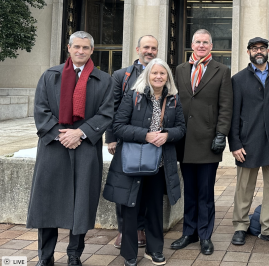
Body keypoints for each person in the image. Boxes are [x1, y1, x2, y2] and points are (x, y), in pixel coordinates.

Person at [27, 31, 113, 266]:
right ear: (68, 48)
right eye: (76, 47)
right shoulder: (50, 76)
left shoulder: (103, 80)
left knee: (82, 202)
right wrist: (59, 135)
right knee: (47, 202)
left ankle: (74, 254)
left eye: (85, 48)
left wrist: (80, 132)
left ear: (92, 50)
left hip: (85, 147)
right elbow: (41, 110)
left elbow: (106, 113)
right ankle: (45, 256)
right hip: (53, 148)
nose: (80, 51)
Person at [104, 58, 185, 266]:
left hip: (159, 165)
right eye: (154, 73)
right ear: (147, 75)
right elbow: (119, 125)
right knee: (131, 208)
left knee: (155, 207)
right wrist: (145, 135)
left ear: (168, 77)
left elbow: (181, 129)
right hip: (134, 162)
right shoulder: (133, 96)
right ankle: (130, 254)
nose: (158, 77)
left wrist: (167, 135)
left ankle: (155, 249)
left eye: (162, 73)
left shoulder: (174, 99)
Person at [172, 29, 233, 255]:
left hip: (208, 141)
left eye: (205, 42)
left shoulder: (222, 70)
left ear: (211, 45)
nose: (201, 45)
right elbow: (174, 101)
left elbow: (226, 106)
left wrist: (221, 134)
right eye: (197, 42)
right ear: (191, 44)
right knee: (189, 190)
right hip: (185, 141)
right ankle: (189, 232)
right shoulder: (179, 70)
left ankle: (205, 235)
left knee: (205, 193)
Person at [229, 37, 269, 246]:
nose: (258, 51)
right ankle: (240, 226)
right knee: (244, 187)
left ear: (268, 50)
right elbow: (233, 114)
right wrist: (235, 143)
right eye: (254, 49)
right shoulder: (238, 79)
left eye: (262, 48)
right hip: (248, 140)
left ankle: (268, 226)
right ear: (248, 52)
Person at [105, 35, 159, 249]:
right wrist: (111, 138)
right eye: (146, 47)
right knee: (124, 186)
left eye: (154, 48)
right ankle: (123, 229)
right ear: (138, 49)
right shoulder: (121, 75)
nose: (150, 51)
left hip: (152, 141)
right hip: (126, 139)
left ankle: (141, 228)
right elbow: (112, 107)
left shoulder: (160, 71)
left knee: (146, 187)